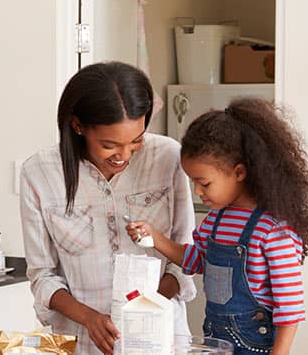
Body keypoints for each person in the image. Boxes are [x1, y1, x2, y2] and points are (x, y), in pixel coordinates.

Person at [125, 98, 308, 355]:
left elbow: (289, 309)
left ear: (239, 172)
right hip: (217, 341)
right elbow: (197, 260)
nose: (197, 191)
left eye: (204, 183)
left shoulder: (273, 230)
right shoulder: (216, 219)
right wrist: (155, 237)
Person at [20, 62, 196, 354]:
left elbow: (185, 257)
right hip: (82, 342)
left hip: (162, 337)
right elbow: (42, 276)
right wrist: (89, 318)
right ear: (78, 126)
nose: (124, 155)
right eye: (110, 145)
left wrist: (146, 309)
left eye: (136, 141)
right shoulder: (39, 173)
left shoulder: (167, 158)